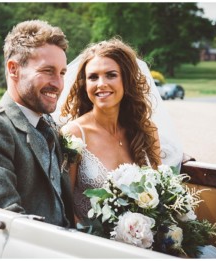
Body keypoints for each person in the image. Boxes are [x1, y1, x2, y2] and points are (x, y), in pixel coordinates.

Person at [0, 20, 74, 227]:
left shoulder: (48, 123)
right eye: (48, 71)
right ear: (13, 69)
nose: (58, 83)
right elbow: (12, 222)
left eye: (62, 73)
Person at [59, 38, 162, 220]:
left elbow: (158, 194)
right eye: (93, 77)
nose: (101, 84)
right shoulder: (73, 135)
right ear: (85, 84)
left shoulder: (147, 131)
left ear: (126, 79)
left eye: (111, 75)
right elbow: (66, 207)